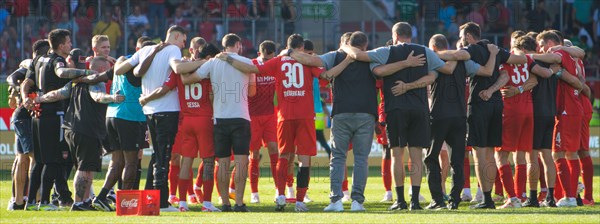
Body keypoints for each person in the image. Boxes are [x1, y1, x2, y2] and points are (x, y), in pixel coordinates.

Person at [217, 34, 342, 212]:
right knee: (303, 158)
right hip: (305, 116)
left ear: (287, 46)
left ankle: (281, 196)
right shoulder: (308, 61)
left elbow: (251, 68)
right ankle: (299, 200)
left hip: (284, 116)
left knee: (284, 157)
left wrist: (227, 58)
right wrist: (345, 64)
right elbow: (326, 76)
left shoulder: (278, 61)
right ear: (301, 48)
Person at [339, 22, 449, 211]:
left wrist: (344, 46)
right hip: (420, 109)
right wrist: (414, 73)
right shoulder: (424, 51)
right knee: (416, 156)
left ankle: (400, 200)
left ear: (395, 35)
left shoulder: (386, 51)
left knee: (397, 155)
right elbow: (441, 72)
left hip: (396, 108)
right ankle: (415, 200)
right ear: (410, 36)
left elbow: (371, 65)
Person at [436, 22, 527, 209]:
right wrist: (499, 55)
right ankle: (488, 197)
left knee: (479, 154)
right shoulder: (495, 49)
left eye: (462, 37)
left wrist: (432, 54)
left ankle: (486, 199)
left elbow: (455, 55)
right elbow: (521, 61)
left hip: (478, 104)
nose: (461, 40)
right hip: (496, 104)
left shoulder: (473, 49)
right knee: (491, 153)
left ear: (469, 36)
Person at [138, 37, 220, 212]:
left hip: (186, 120)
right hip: (204, 119)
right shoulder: (208, 68)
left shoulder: (180, 70)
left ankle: (182, 202)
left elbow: (165, 88)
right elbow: (213, 95)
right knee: (208, 162)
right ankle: (206, 203)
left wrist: (146, 98)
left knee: (185, 161)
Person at [34, 56, 124, 211]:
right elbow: (98, 96)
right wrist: (113, 98)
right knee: (84, 168)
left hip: (71, 128)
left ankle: (84, 201)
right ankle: (78, 203)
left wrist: (39, 98)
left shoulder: (75, 81)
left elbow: (57, 94)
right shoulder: (96, 81)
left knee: (85, 167)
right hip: (87, 129)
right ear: (102, 69)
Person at [21, 29, 96, 211]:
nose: (70, 45)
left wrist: (25, 98)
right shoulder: (57, 60)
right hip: (54, 114)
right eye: (69, 42)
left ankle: (31, 202)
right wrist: (86, 72)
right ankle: (45, 202)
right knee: (53, 160)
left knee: (39, 160)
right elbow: (61, 73)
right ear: (61, 45)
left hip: (37, 115)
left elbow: (26, 82)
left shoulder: (39, 59)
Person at [114, 25, 187, 212]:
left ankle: (152, 195)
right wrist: (199, 63)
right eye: (183, 40)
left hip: (149, 111)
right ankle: (160, 203)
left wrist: (149, 55)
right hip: (167, 109)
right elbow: (177, 68)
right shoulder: (173, 49)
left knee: (158, 154)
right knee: (163, 156)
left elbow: (120, 70)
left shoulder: (145, 50)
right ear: (176, 36)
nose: (184, 44)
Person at [426, 34, 498, 210]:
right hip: (459, 116)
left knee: (431, 158)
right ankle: (454, 200)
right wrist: (494, 55)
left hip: (438, 115)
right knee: (457, 160)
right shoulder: (464, 62)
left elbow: (431, 78)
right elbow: (487, 71)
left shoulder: (433, 59)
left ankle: (438, 199)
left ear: (434, 47)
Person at [185, 33, 255, 212]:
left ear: (224, 46)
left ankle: (225, 203)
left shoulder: (213, 62)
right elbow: (252, 91)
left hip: (219, 118)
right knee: (241, 162)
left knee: (221, 164)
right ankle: (239, 203)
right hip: (240, 116)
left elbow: (190, 79)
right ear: (238, 45)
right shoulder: (246, 62)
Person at [92, 37, 153, 211]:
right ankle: (126, 203)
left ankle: (102, 197)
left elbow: (104, 76)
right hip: (131, 117)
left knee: (117, 162)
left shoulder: (122, 60)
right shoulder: (141, 67)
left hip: (112, 114)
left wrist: (82, 79)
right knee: (131, 162)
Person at [532, 31, 585, 207]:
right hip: (573, 108)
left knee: (558, 153)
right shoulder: (572, 55)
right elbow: (580, 79)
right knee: (571, 153)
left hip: (566, 111)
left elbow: (551, 62)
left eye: (541, 45)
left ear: (549, 43)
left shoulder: (560, 54)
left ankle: (569, 196)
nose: (540, 50)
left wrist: (525, 56)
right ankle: (571, 195)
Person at [7, 41, 49, 210]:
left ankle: (18, 200)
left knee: (22, 158)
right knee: (32, 157)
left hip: (24, 117)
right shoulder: (30, 67)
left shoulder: (35, 67)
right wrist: (21, 91)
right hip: (24, 116)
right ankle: (33, 199)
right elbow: (12, 78)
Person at [247, 40, 279, 204]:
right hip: (253, 116)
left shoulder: (276, 64)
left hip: (270, 115)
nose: (268, 63)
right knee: (254, 154)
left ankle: (279, 190)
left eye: (271, 59)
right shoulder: (251, 65)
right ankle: (254, 192)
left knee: (275, 149)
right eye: (266, 60)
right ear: (259, 54)